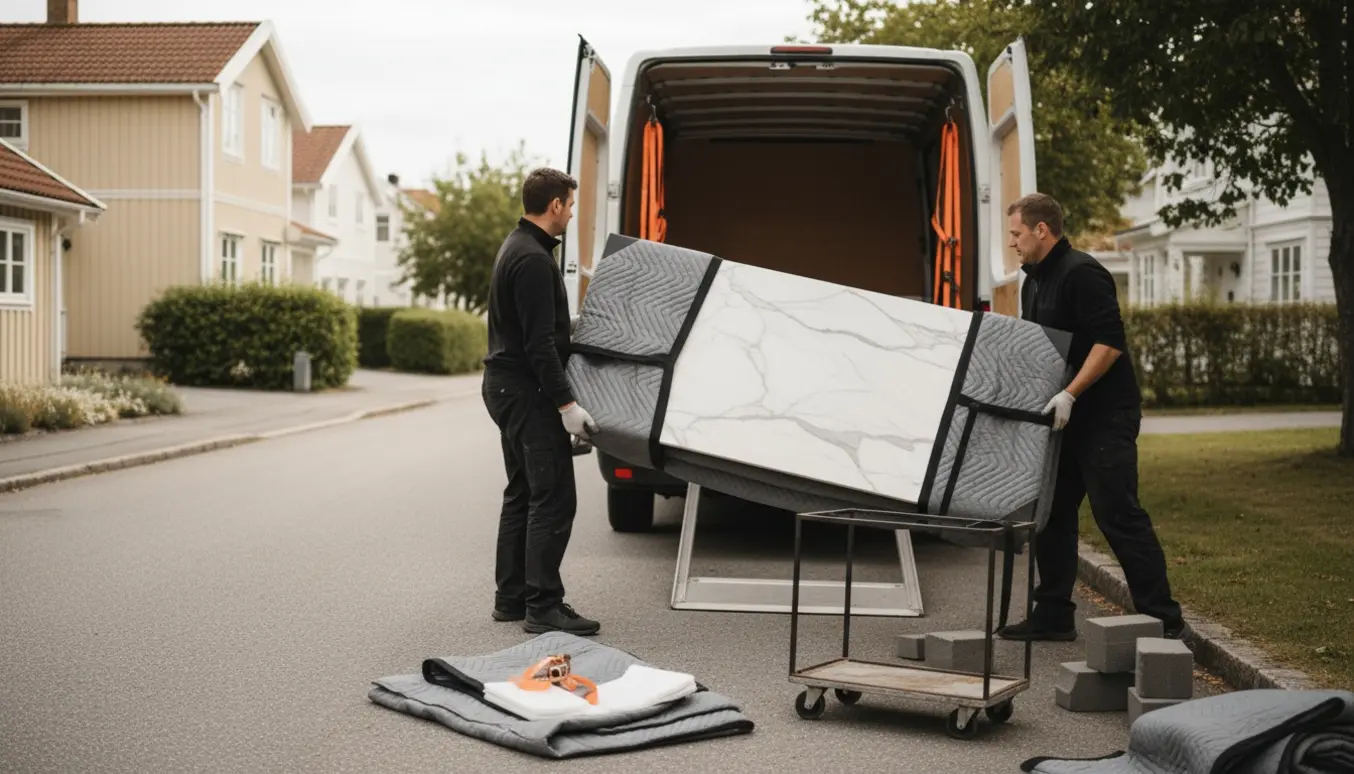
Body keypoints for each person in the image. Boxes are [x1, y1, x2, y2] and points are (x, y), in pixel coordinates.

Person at [997, 192, 1187, 642]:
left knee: (1117, 514)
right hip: (1063, 419)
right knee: (1053, 513)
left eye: (1017, 233)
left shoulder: (1082, 273)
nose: (1012, 242)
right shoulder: (1033, 283)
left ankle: (1165, 623)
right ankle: (1053, 615)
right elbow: (1039, 350)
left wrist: (1070, 393)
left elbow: (1109, 343)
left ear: (1042, 229)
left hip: (1105, 416)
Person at [481, 167, 601, 636]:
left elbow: (538, 330)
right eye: (569, 205)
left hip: (507, 386)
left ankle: (511, 598)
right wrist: (567, 406)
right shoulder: (532, 258)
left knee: (524, 492)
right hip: (525, 390)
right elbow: (539, 345)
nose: (571, 213)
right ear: (554, 205)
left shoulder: (517, 247)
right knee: (553, 497)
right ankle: (544, 606)